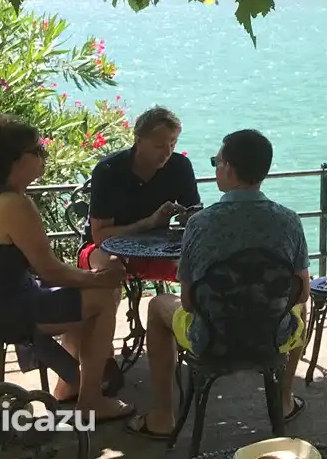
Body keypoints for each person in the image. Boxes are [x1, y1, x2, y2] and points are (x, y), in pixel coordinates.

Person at [127, 129, 310, 441]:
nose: (215, 168)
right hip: (271, 336)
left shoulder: (200, 224)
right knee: (300, 306)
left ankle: (162, 416)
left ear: (229, 168)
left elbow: (187, 301)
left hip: (212, 338)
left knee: (158, 305)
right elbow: (301, 290)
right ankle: (284, 399)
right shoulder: (289, 220)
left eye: (216, 161)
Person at [0, 118, 132, 420]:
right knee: (101, 297)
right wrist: (98, 278)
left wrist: (89, 280)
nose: (43, 156)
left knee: (90, 292)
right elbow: (50, 271)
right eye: (38, 150)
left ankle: (68, 386)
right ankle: (91, 401)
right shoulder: (12, 204)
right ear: (16, 160)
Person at [80, 106, 200, 282]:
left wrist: (188, 217)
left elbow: (194, 216)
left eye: (173, 144)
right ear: (138, 140)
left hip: (157, 248)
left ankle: (180, 309)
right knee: (111, 271)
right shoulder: (109, 170)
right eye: (159, 146)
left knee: (199, 266)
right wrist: (149, 223)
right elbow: (100, 237)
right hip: (104, 248)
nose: (167, 153)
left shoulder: (179, 166)